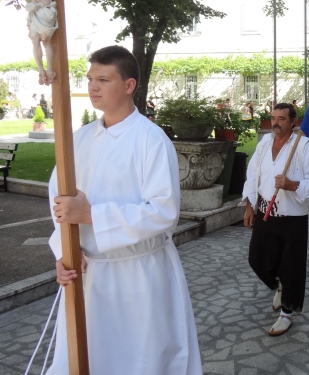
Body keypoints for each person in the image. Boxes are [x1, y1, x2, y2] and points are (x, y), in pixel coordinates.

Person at [47, 46, 202, 374]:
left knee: (140, 361)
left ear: (129, 85)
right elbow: (58, 201)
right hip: (87, 275)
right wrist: (64, 252)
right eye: (90, 79)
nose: (93, 87)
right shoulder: (78, 140)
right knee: (86, 358)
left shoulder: (151, 139)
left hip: (138, 276)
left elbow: (163, 211)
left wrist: (92, 214)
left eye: (103, 80)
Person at [243, 103, 309, 336]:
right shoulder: (264, 143)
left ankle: (287, 313)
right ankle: (279, 285)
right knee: (257, 259)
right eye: (273, 118)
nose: (276, 122)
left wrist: (292, 185)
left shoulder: (304, 146)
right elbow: (252, 175)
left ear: (293, 122)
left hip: (292, 218)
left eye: (281, 118)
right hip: (265, 213)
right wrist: (249, 205)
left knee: (292, 266)